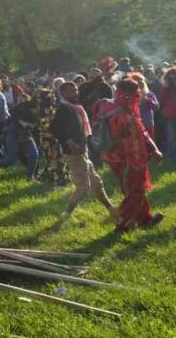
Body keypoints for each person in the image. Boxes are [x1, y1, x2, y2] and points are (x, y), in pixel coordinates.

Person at [104, 78, 165, 231]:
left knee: (135, 189)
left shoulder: (127, 108)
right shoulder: (116, 110)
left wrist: (153, 148)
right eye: (135, 93)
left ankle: (144, 219)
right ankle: (123, 223)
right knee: (136, 191)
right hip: (125, 157)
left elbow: (142, 130)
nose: (138, 96)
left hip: (133, 155)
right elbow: (115, 137)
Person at [54, 82, 116, 225]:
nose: (75, 93)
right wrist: (69, 142)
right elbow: (55, 128)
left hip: (82, 150)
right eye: (71, 92)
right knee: (83, 188)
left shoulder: (76, 107)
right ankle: (65, 215)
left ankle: (111, 208)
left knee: (96, 182)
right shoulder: (64, 108)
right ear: (63, 94)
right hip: (73, 152)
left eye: (75, 90)